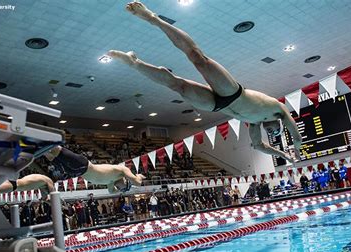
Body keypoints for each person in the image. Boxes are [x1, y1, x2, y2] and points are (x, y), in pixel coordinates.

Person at [108, 1, 302, 163]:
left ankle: (135, 63)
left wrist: (283, 155)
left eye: (274, 134)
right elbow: (294, 130)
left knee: (178, 86)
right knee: (197, 57)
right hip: (233, 92)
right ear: (279, 124)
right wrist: (297, 145)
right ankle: (152, 18)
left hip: (216, 105)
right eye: (278, 131)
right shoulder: (277, 109)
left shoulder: (254, 123)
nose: (274, 132)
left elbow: (259, 146)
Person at [43, 146, 145, 193]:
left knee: (52, 158)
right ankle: (44, 139)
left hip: (75, 172)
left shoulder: (111, 182)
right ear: (126, 181)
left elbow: (112, 192)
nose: (121, 189)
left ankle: (37, 148)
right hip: (83, 165)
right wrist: (138, 176)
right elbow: (138, 183)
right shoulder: (122, 170)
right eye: (123, 188)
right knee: (57, 150)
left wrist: (121, 191)